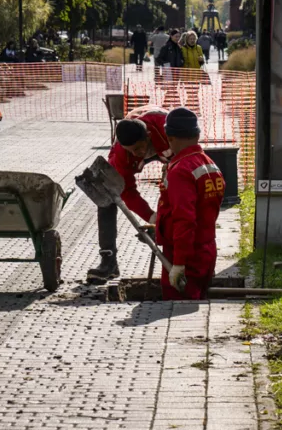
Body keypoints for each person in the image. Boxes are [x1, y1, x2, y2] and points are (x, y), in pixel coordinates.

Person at [87, 105, 172, 283]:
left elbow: (189, 154)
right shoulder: (121, 154)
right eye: (132, 151)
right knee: (107, 195)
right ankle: (108, 261)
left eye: (140, 148)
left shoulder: (167, 127)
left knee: (178, 183)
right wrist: (151, 217)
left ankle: (184, 250)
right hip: (137, 147)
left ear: (147, 137)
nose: (138, 153)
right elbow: (126, 192)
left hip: (165, 144)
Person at [155, 107, 225, 300]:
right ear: (197, 134)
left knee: (177, 309)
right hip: (206, 249)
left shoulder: (180, 171)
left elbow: (184, 219)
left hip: (186, 254)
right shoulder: (208, 164)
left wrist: (179, 263)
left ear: (170, 137)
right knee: (195, 304)